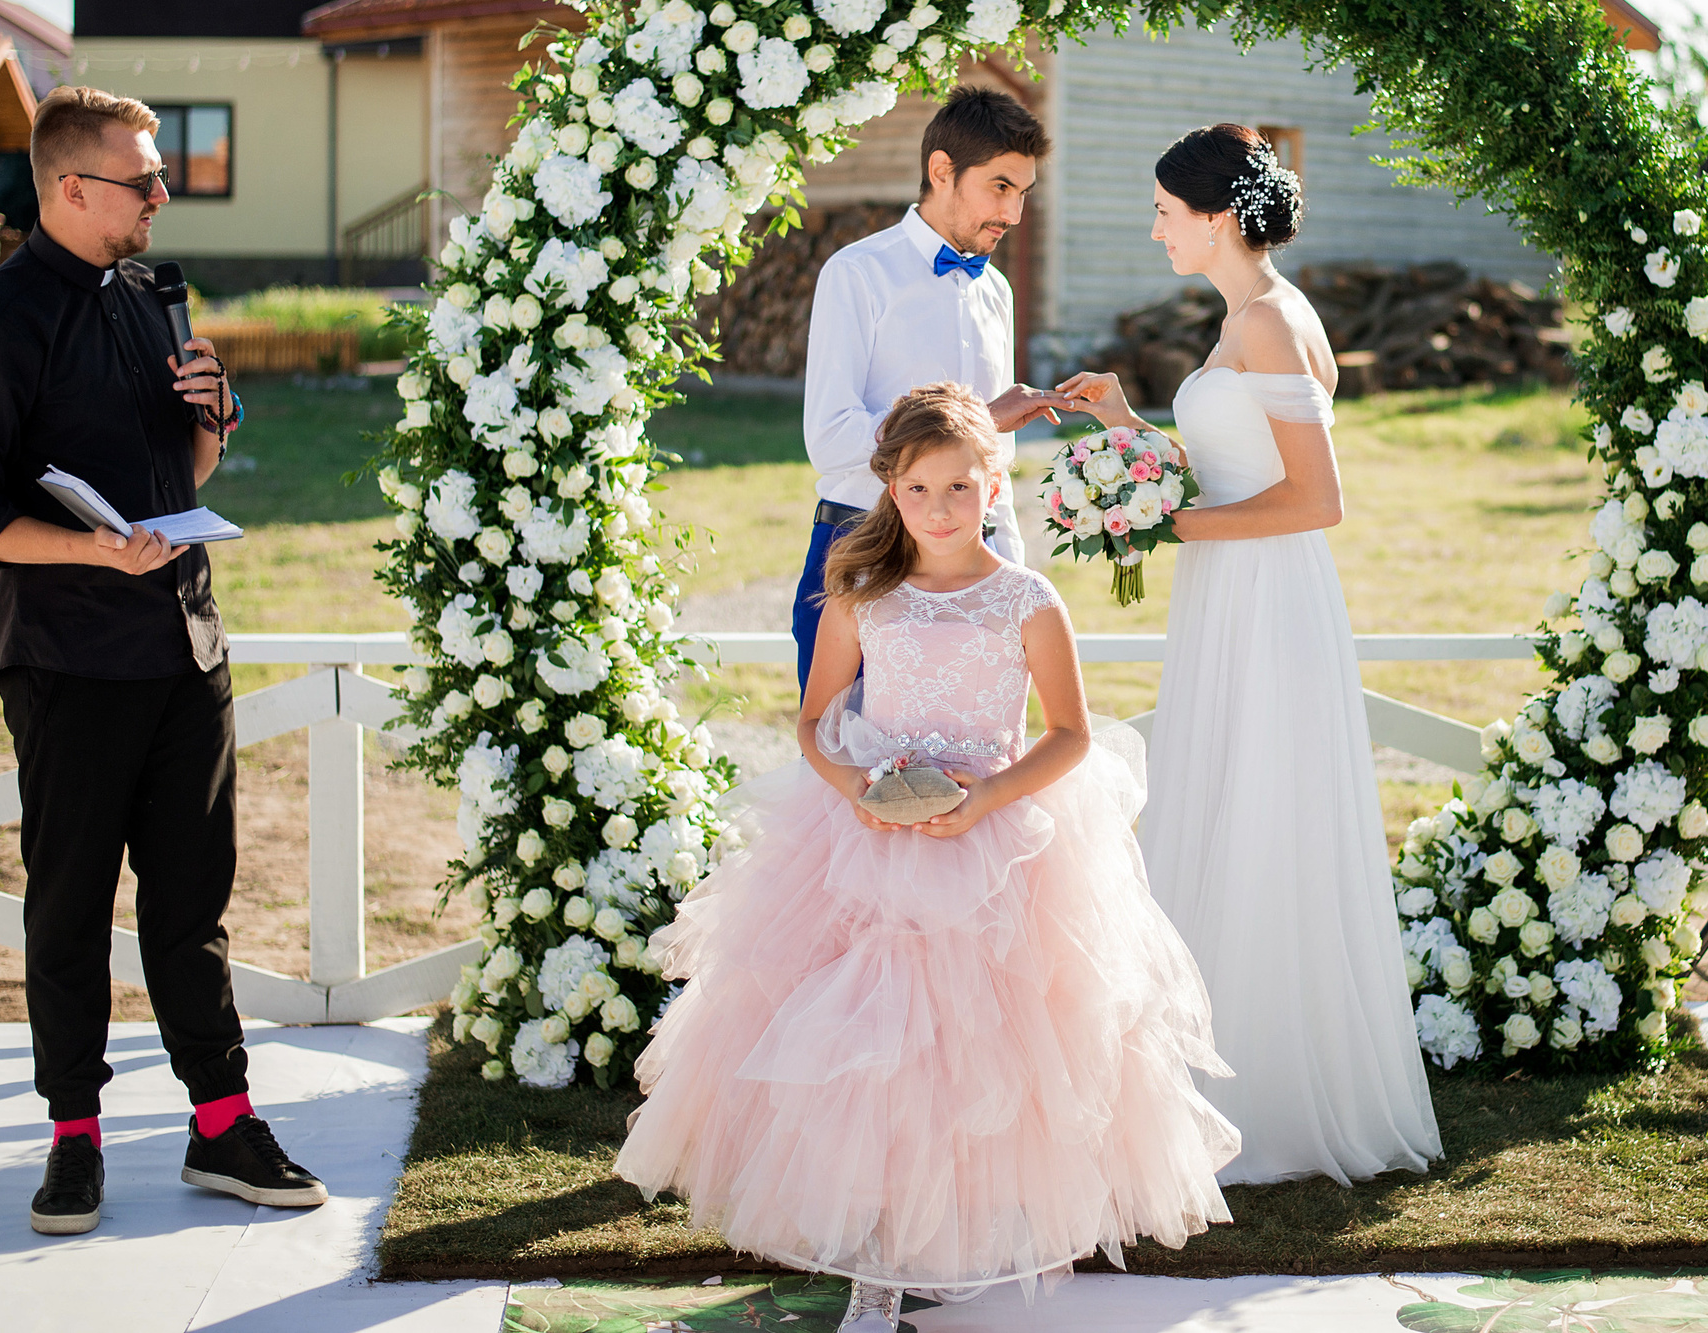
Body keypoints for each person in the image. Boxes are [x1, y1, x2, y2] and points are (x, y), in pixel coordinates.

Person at [616, 384, 1237, 1332]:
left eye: (958, 487)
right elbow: (816, 721)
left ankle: (955, 1237)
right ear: (890, 490)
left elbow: (1070, 734)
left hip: (995, 842)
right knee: (871, 1046)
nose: (939, 508)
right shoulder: (863, 591)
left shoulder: (1027, 599)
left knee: (982, 1050)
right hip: (867, 844)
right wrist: (855, 789)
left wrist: (983, 797)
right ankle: (875, 1250)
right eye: (917, 489)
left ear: (994, 483)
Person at [0, 86, 324, 1237]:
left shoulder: (156, 295)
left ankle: (221, 1124)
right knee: (70, 905)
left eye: (160, 176)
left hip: (186, 645)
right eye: (143, 178)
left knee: (193, 902)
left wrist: (214, 413)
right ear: (69, 187)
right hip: (66, 659)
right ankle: (74, 1136)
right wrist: (90, 548)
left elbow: (179, 476)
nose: (161, 194)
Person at [1055, 124, 1441, 1186]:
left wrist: (1166, 525)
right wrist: (1126, 427)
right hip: (1234, 588)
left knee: (1263, 811)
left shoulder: (1271, 318)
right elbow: (1230, 469)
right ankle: (1209, 1073)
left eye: (1164, 212)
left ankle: (1267, 1099)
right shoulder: (1247, 315)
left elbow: (1317, 499)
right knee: (1224, 800)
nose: (1155, 230)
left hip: (1269, 596)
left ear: (1218, 217)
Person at [794, 86, 1071, 690]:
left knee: (974, 747)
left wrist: (1011, 569)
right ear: (942, 171)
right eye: (1000, 187)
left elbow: (994, 464)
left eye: (1023, 193)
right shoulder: (857, 273)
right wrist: (976, 419)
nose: (1014, 213)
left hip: (977, 565)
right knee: (847, 745)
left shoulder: (997, 291)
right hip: (865, 549)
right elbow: (831, 438)